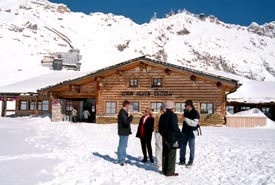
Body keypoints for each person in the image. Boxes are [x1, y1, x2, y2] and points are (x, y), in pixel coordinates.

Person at [159, 101, 181, 176]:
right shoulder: (173, 116)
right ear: (172, 108)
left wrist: (163, 135)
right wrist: (179, 134)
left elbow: (160, 128)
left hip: (164, 137)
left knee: (165, 153)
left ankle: (164, 170)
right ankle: (170, 171)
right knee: (172, 154)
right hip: (172, 137)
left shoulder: (162, 116)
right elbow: (175, 127)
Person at [179, 100, 200, 167]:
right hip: (184, 132)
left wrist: (185, 119)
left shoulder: (195, 112)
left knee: (191, 147)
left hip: (191, 133)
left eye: (185, 105)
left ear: (190, 105)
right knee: (182, 147)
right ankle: (182, 160)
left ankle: (191, 161)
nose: (184, 107)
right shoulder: (185, 111)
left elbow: (194, 123)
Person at [117, 100, 133, 166]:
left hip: (125, 132)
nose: (129, 107)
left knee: (124, 146)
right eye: (128, 105)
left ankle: (123, 158)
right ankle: (121, 160)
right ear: (126, 105)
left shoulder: (124, 112)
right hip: (123, 132)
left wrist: (129, 115)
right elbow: (126, 122)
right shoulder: (122, 112)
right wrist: (131, 116)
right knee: (122, 146)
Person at [154, 103, 166, 168]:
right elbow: (159, 124)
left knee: (162, 147)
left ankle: (162, 160)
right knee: (159, 147)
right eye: (165, 108)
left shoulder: (164, 114)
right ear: (163, 109)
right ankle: (158, 162)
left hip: (163, 133)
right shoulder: (159, 115)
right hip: (158, 132)